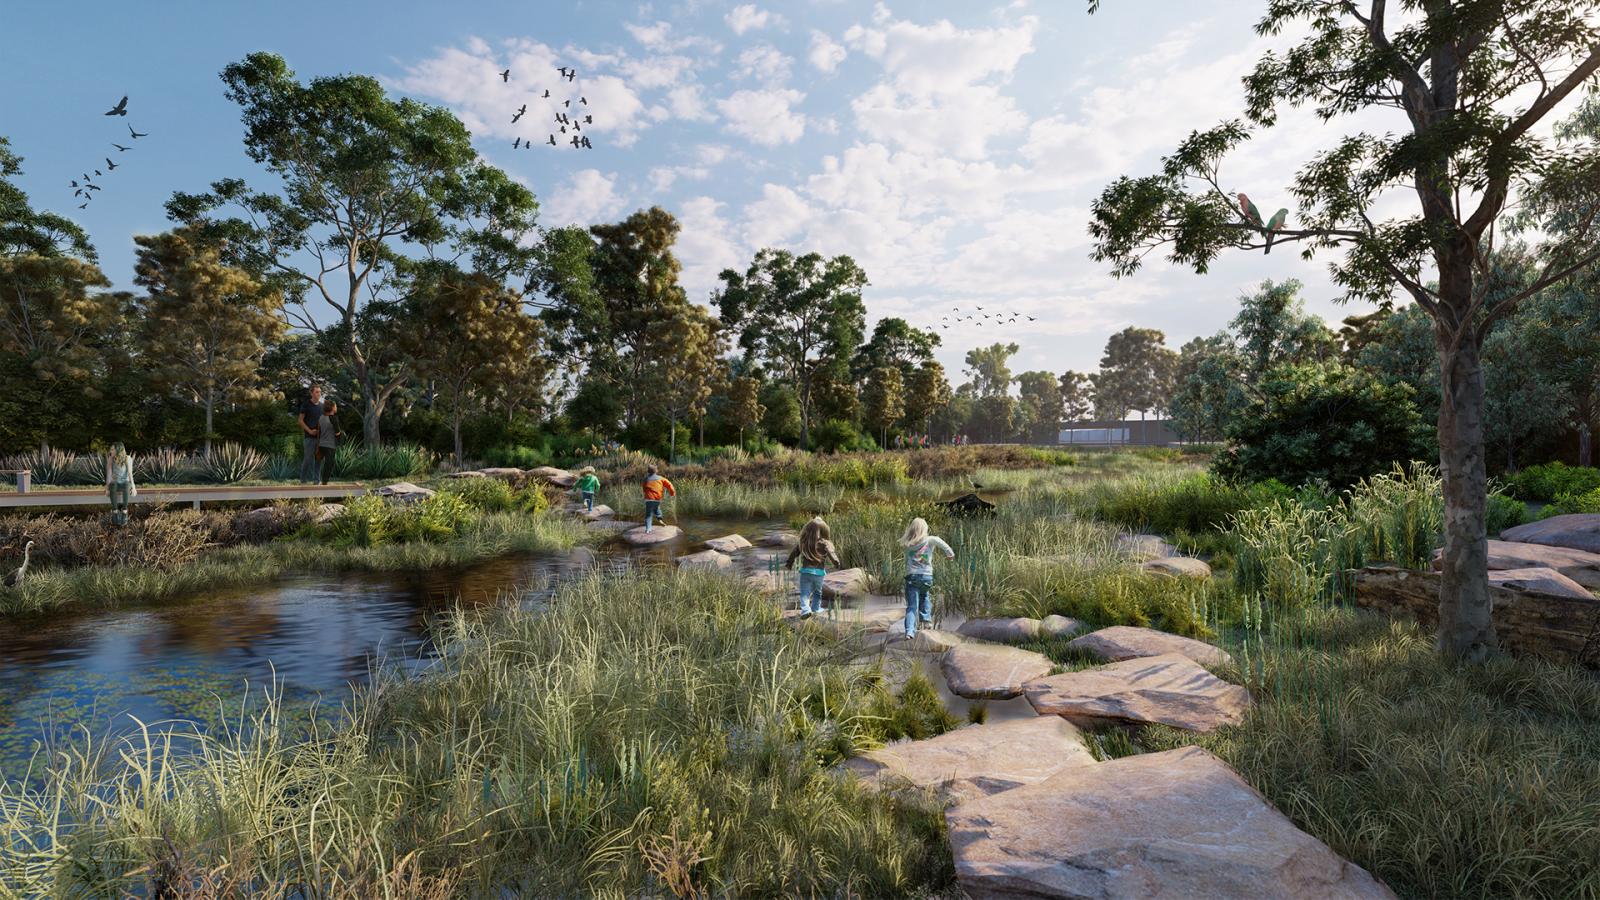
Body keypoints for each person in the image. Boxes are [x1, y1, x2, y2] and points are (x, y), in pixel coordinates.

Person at [900, 516, 955, 639]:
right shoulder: (930, 540)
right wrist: (950, 553)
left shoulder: (908, 544)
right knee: (925, 596)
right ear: (924, 529)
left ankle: (909, 631)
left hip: (912, 577)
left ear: (911, 530)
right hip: (926, 577)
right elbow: (940, 542)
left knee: (912, 606)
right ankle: (927, 621)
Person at [785, 516, 841, 619]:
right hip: (819, 573)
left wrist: (789, 564)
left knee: (805, 593)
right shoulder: (826, 544)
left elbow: (794, 554)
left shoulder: (803, 542)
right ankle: (815, 608)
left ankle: (806, 610)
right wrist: (836, 562)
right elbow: (832, 554)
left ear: (808, 529)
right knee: (817, 592)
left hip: (806, 572)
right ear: (825, 531)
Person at [105, 442, 136, 526]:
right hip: (115, 483)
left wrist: (133, 487)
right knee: (113, 485)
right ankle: (115, 511)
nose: (110, 451)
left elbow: (130, 473)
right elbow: (109, 474)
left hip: (125, 482)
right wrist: (107, 488)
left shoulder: (127, 458)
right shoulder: (111, 459)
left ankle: (124, 511)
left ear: (118, 449)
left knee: (126, 485)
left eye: (112, 449)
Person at [297, 385, 323, 484]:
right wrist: (309, 431)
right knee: (308, 459)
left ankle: (317, 481)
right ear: (311, 393)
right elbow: (300, 420)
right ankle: (303, 481)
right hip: (309, 437)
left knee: (318, 459)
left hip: (320, 438)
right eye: (317, 392)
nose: (319, 394)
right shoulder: (306, 405)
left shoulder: (322, 406)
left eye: (320, 392)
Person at [641, 465, 676, 532]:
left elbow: (644, 488)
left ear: (648, 471)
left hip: (649, 499)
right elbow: (669, 485)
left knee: (649, 515)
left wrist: (646, 494)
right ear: (656, 471)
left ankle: (648, 529)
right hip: (657, 498)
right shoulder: (661, 478)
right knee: (657, 508)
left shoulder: (646, 479)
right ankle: (659, 518)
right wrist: (672, 493)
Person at [316, 399, 340, 485]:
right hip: (330, 445)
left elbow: (319, 431)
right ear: (333, 408)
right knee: (328, 465)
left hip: (321, 444)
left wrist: (317, 446)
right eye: (336, 406)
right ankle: (324, 483)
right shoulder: (333, 418)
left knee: (320, 463)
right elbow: (337, 433)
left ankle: (319, 481)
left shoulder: (321, 418)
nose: (336, 407)